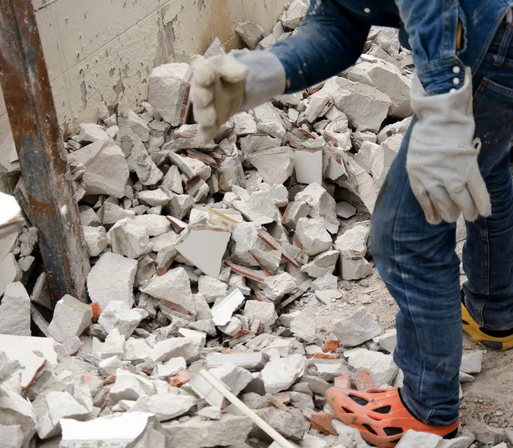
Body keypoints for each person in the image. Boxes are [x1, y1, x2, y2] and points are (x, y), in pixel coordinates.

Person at [190, 1, 513, 447]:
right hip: (494, 39)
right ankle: (495, 311)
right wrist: (265, 71)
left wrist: (444, 109)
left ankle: (429, 410)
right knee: (486, 169)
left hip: (491, 43)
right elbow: (340, 23)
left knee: (406, 238)